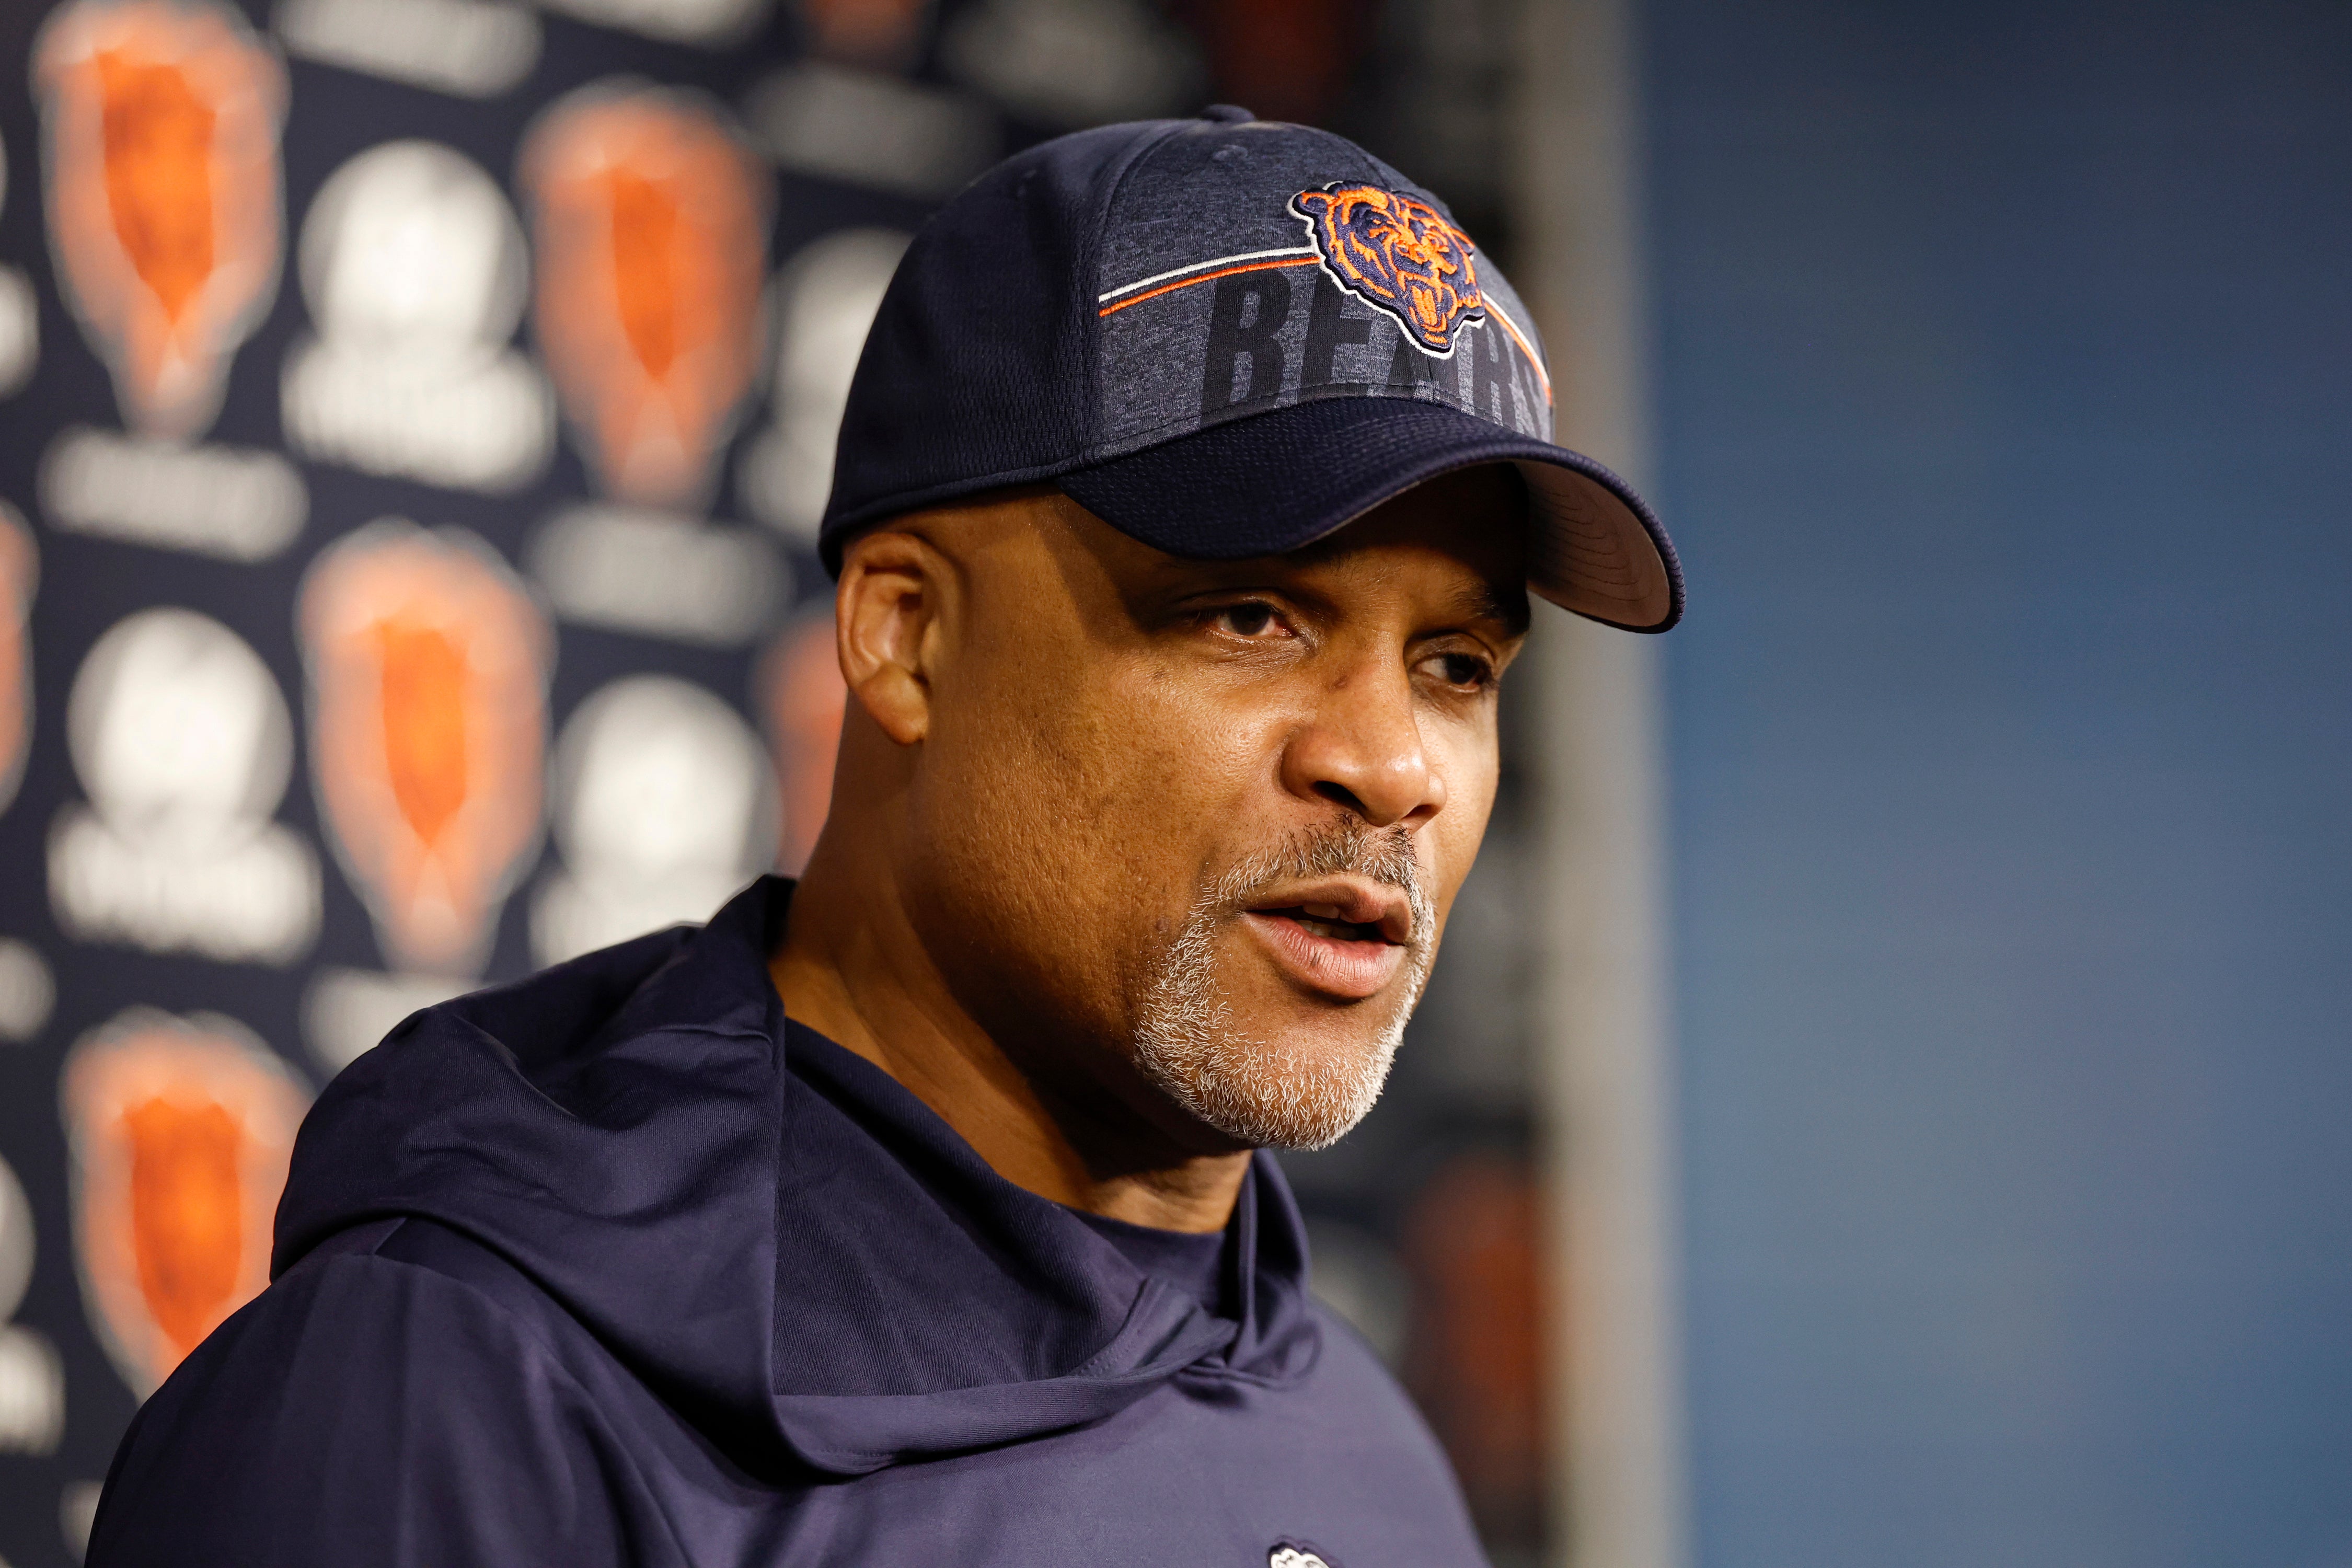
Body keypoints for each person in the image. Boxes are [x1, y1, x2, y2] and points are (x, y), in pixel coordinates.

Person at [89, 107, 1680, 1568]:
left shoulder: (1365, 1451)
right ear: (905, 638)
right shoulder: (447, 1395)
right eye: (1251, 616)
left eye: (1455, 667)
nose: (1389, 764)